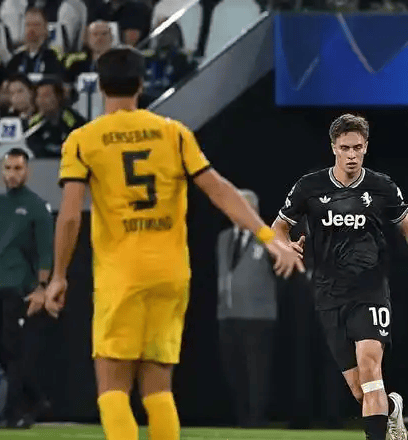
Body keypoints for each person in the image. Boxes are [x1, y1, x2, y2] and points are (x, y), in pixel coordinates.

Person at [42, 46, 304, 440]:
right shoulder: (174, 133)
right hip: (170, 274)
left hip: (122, 274)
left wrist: (59, 275)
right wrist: (268, 236)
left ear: (100, 86)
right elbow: (219, 189)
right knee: (158, 388)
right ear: (141, 84)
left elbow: (69, 215)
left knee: (113, 388)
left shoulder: (83, 140)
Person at [271, 113, 408, 440]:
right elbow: (278, 227)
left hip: (370, 288)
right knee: (360, 390)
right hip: (328, 292)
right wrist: (284, 246)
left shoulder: (381, 185)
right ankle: (392, 407)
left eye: (358, 148)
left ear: (366, 147)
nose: (352, 155)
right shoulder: (309, 186)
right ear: (333, 147)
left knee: (370, 369)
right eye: (345, 148)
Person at [0, 148, 53, 427]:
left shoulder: (36, 206)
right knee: (7, 351)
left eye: (17, 168)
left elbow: (45, 252)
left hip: (18, 287)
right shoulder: (1, 203)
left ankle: (12, 413)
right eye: (8, 168)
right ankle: (36, 399)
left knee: (12, 350)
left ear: (27, 171)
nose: (12, 174)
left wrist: (42, 288)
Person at [216, 189, 278, 428]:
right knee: (233, 369)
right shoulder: (223, 238)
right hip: (227, 314)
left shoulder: (268, 237)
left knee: (257, 371)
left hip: (258, 316)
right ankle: (241, 418)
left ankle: (257, 419)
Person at [26, 75, 86, 157]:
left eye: (46, 95)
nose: (41, 100)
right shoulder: (34, 124)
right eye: (38, 96)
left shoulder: (73, 121)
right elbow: (34, 148)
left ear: (58, 97)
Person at [6, 8, 64, 77]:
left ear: (45, 28)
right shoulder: (16, 60)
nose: (31, 29)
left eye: (36, 25)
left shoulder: (53, 58)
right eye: (28, 25)